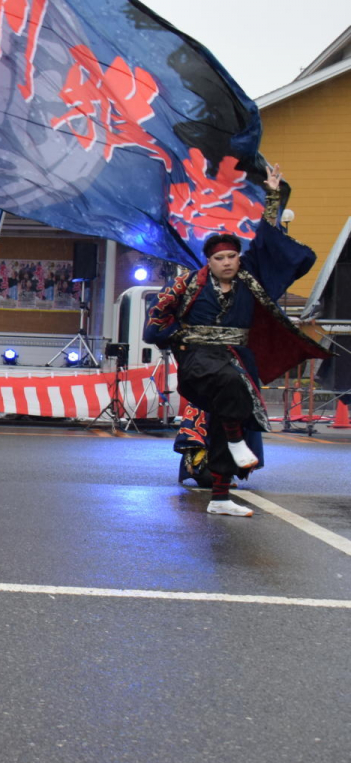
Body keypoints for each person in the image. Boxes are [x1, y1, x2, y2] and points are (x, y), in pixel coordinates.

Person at [144, 164, 329, 516]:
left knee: (228, 414)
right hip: (199, 362)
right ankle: (234, 440)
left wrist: (272, 196)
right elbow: (154, 325)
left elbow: (268, 242)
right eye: (220, 258)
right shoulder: (186, 285)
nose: (227, 262)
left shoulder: (249, 280)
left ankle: (220, 497)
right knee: (229, 388)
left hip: (237, 359)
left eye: (232, 256)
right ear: (208, 261)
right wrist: (177, 338)